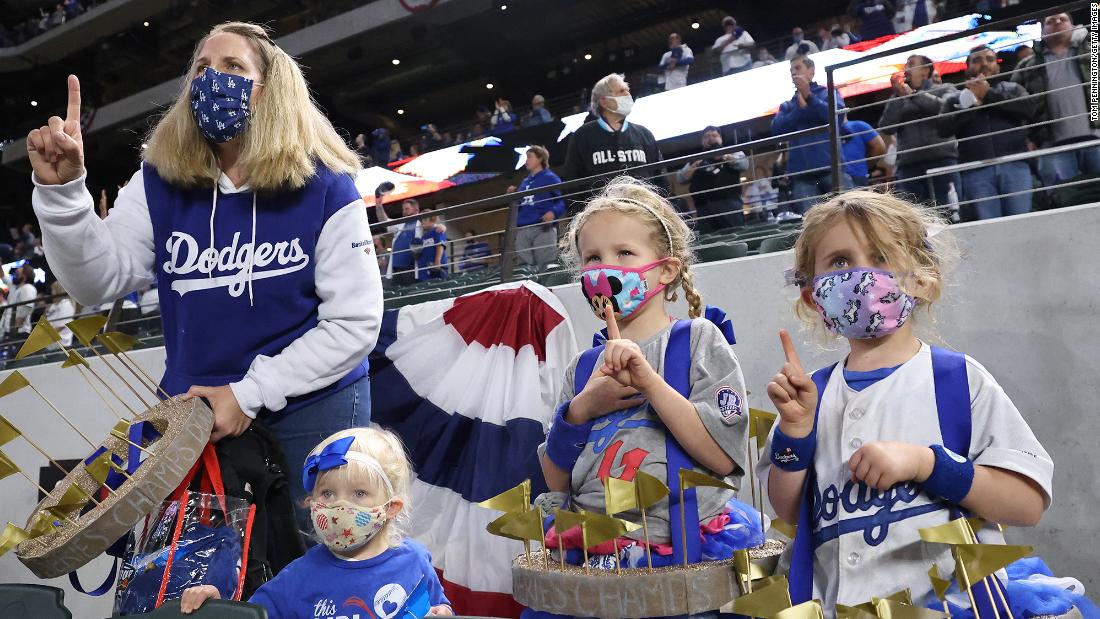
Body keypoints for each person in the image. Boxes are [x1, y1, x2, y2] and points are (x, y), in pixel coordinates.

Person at [27, 22, 383, 524]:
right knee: (198, 577)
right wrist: (64, 196)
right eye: (200, 68)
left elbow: (355, 323)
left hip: (313, 402)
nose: (212, 79)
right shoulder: (159, 179)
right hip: (194, 407)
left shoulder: (327, 184)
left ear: (269, 91)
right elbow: (96, 280)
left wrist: (247, 393)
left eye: (233, 67)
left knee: (309, 567)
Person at [759, 190, 1060, 615]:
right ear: (813, 295)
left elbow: (1027, 504)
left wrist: (929, 465)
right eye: (839, 262)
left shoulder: (957, 379)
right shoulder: (810, 395)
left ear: (923, 279)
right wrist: (795, 430)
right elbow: (788, 510)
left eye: (880, 256)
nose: (859, 273)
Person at [537, 178, 760, 603]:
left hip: (679, 546)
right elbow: (556, 481)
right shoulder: (582, 367)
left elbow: (721, 456)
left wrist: (649, 382)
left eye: (624, 253)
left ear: (666, 269)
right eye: (593, 258)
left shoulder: (697, 340)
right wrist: (581, 410)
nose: (606, 268)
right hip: (594, 550)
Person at [180, 427, 453, 618]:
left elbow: (440, 606)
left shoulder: (415, 561)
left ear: (391, 507)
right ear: (311, 502)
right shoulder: (298, 577)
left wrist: (444, 612)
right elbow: (250, 616)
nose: (338, 506)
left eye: (359, 493)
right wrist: (217, 607)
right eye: (327, 493)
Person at [938, 45, 1036, 220]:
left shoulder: (1012, 88)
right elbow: (943, 128)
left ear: (997, 66)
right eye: (977, 60)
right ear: (967, 68)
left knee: (1023, 224)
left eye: (990, 59)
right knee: (989, 228)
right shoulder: (954, 98)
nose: (984, 64)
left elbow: (1029, 110)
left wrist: (988, 94)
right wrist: (971, 104)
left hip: (1015, 165)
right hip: (976, 171)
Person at [1013, 12, 1100, 190]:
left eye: (1063, 19)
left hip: (1096, 138)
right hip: (1051, 145)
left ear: (1073, 25)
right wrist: (1027, 139)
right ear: (1043, 31)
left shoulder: (1094, 52)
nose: (1057, 22)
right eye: (1050, 21)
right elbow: (1016, 107)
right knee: (1062, 200)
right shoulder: (1026, 66)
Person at [560, 74, 664, 208]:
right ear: (604, 101)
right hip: (601, 218)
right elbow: (571, 181)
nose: (628, 94)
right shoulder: (582, 136)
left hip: (645, 215)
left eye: (628, 90)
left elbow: (660, 177)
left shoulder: (644, 134)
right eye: (621, 91)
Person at [878, 54, 960, 206]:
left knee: (949, 210)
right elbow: (886, 127)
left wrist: (913, 95)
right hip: (909, 165)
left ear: (925, 70)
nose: (905, 69)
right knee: (916, 217)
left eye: (911, 64)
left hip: (942, 159)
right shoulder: (898, 97)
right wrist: (898, 97)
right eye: (906, 65)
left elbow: (944, 108)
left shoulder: (944, 88)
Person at [772, 55, 849, 214]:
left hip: (831, 167)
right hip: (801, 174)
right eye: (791, 70)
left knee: (848, 215)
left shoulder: (828, 92)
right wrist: (803, 110)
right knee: (811, 224)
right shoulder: (788, 104)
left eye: (798, 68)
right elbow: (777, 129)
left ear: (811, 71)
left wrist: (809, 97)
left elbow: (836, 117)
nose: (793, 72)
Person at [676, 126, 749, 232]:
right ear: (702, 141)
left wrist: (724, 156)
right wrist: (697, 164)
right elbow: (680, 178)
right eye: (706, 137)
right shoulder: (696, 158)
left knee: (736, 234)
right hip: (703, 207)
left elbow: (744, 164)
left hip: (729, 204)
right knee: (711, 242)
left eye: (714, 135)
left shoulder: (731, 151)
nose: (710, 138)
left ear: (721, 138)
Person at [508, 145, 565, 270]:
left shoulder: (550, 177)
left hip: (543, 228)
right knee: (524, 267)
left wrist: (553, 213)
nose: (526, 160)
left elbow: (562, 201)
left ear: (540, 159)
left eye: (529, 157)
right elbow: (521, 204)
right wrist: (513, 196)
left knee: (545, 265)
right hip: (523, 229)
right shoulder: (524, 182)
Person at [375, 198, 423, 286]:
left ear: (416, 209)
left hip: (411, 267)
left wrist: (440, 226)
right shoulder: (400, 224)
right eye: (403, 209)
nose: (404, 212)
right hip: (395, 268)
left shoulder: (421, 224)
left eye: (407, 209)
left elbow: (433, 224)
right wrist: (378, 205)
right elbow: (384, 221)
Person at [840, 116, 885, 187]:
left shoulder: (858, 125)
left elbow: (879, 147)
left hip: (856, 175)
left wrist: (865, 164)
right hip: (834, 175)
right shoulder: (825, 130)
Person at [412, 208, 448, 281]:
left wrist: (437, 262)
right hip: (424, 269)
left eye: (425, 220)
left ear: (433, 219)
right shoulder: (423, 236)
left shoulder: (437, 230)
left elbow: (440, 245)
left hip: (435, 268)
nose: (422, 222)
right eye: (422, 220)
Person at [8, 265, 38, 337]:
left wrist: (16, 327)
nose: (14, 276)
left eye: (17, 274)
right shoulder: (18, 289)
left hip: (20, 332)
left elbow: (27, 307)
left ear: (24, 276)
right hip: (13, 331)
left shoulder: (28, 288)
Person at [44, 281, 75, 349]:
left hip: (62, 344)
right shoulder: (52, 306)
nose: (52, 293)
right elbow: (45, 322)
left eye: (53, 290)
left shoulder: (66, 304)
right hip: (50, 342)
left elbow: (61, 326)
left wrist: (44, 335)